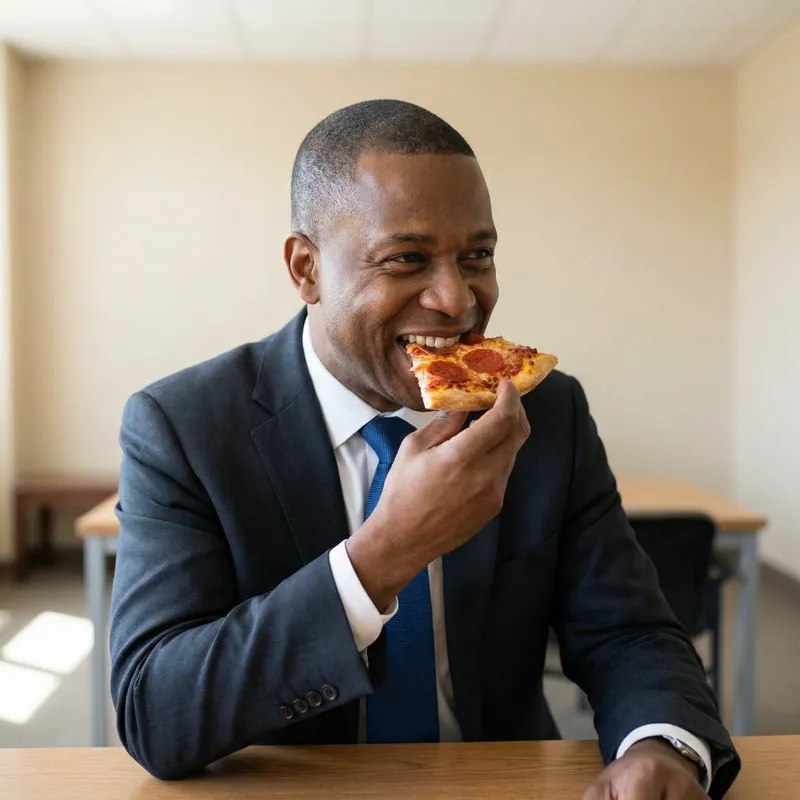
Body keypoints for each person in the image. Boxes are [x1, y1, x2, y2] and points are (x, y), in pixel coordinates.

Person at [109, 99, 740, 798]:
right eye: (406, 259)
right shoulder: (182, 427)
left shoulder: (545, 411)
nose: (457, 299)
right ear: (306, 269)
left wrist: (662, 743)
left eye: (478, 256)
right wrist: (384, 555)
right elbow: (153, 711)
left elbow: (629, 632)